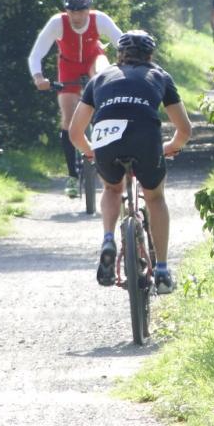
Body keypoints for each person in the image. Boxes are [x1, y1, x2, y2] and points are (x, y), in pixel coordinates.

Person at [68, 30, 192, 294]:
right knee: (155, 198)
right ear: (150, 55)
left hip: (106, 137)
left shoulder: (100, 78)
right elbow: (184, 129)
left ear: (119, 54)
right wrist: (171, 147)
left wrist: (92, 152)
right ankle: (162, 271)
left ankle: (108, 239)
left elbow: (75, 132)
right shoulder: (160, 76)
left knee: (112, 188)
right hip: (144, 137)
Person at [28, 0, 123, 198]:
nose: (77, 16)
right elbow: (36, 54)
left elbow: (122, 43)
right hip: (68, 66)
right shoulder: (57, 23)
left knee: (104, 77)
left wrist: (125, 68)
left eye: (81, 11)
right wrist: (38, 78)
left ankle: (107, 138)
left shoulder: (100, 19)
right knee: (68, 119)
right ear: (66, 11)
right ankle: (72, 174)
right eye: (72, 11)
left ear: (89, 10)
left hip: (94, 60)